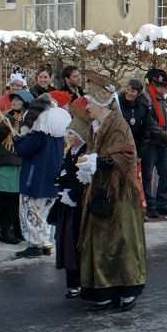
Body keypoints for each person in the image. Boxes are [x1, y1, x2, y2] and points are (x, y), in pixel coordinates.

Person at [75, 78, 147, 312]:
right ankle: (103, 292)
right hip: (99, 190)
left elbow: (126, 155)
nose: (86, 107)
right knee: (99, 240)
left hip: (119, 194)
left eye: (89, 102)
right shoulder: (97, 126)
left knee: (120, 238)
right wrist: (87, 166)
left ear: (100, 103)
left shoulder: (118, 124)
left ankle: (126, 291)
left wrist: (99, 161)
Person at [12, 95, 69, 258]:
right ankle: (46, 241)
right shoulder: (57, 134)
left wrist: (17, 140)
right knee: (46, 211)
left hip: (35, 177)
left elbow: (24, 150)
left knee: (31, 210)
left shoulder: (39, 133)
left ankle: (35, 243)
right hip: (52, 178)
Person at [0, 89, 34, 244]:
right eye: (13, 99)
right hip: (7, 164)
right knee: (7, 198)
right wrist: (6, 120)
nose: (14, 101)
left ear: (25, 102)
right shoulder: (5, 116)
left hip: (24, 162)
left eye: (18, 99)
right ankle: (5, 231)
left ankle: (19, 230)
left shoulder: (30, 119)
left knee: (19, 200)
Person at [56, 100, 91, 298]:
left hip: (76, 202)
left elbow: (82, 178)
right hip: (66, 201)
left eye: (71, 133)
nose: (67, 136)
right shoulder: (71, 151)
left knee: (75, 241)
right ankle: (72, 282)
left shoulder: (84, 153)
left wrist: (72, 192)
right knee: (66, 242)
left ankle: (79, 281)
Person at [143, 69, 167, 218]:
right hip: (150, 143)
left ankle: (161, 203)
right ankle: (150, 205)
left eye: (165, 86)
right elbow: (148, 122)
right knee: (147, 177)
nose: (164, 89)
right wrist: (163, 134)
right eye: (160, 86)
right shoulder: (145, 100)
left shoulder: (163, 102)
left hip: (163, 144)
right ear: (152, 84)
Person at [119, 79, 153, 161]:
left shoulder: (144, 106)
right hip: (118, 143)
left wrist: (140, 154)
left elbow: (145, 132)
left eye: (133, 91)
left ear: (138, 93)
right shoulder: (118, 102)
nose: (129, 93)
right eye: (128, 89)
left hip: (133, 146)